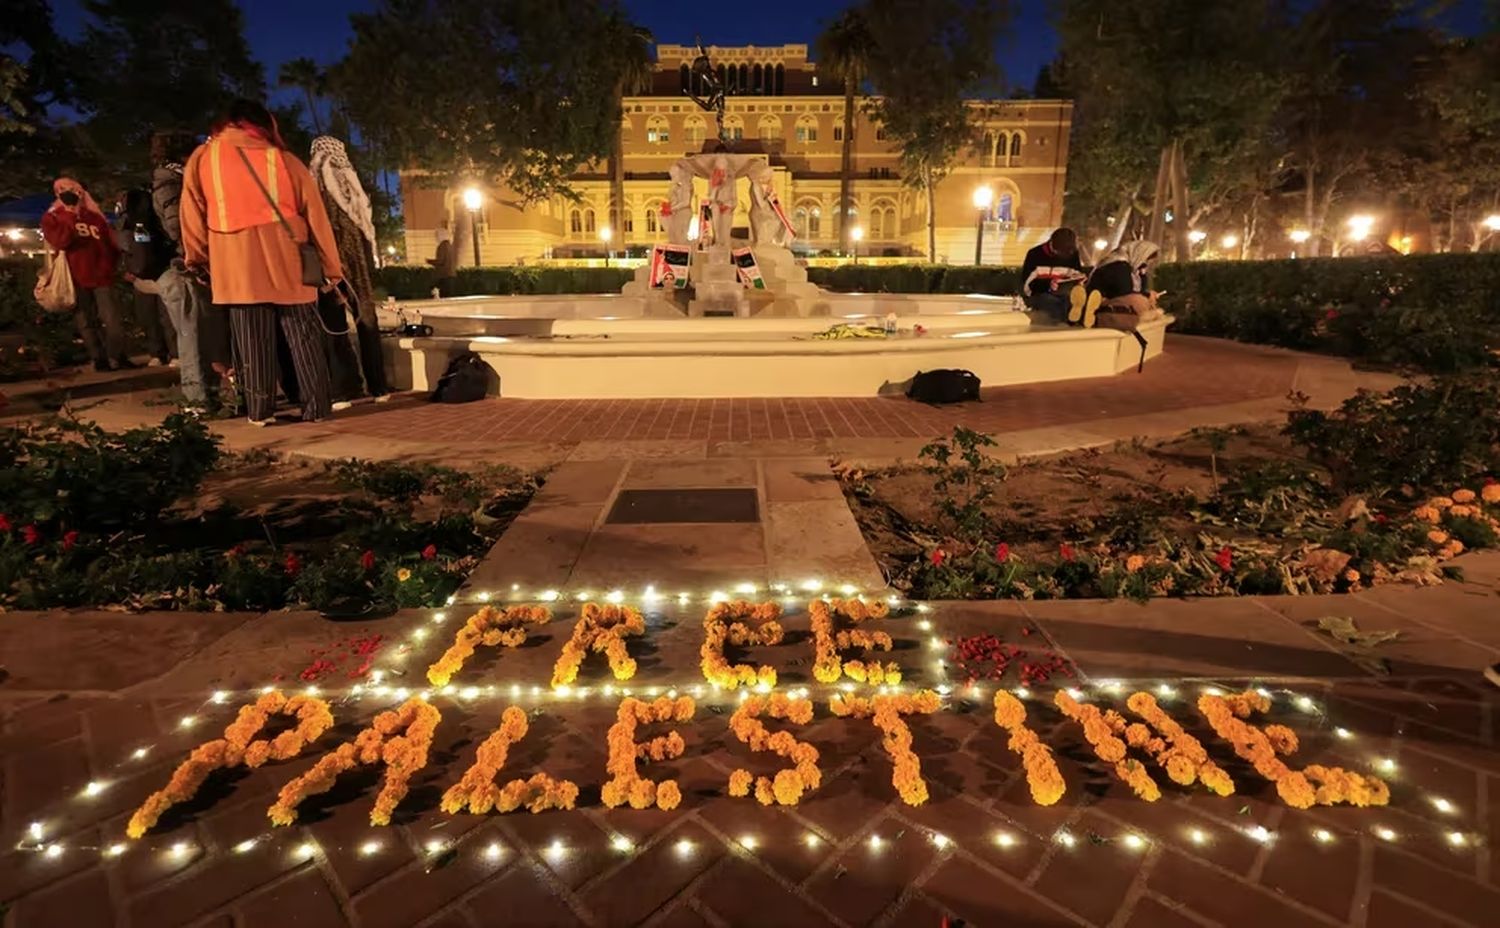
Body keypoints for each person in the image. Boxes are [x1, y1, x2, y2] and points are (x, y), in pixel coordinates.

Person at [179, 99, 342, 426]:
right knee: (304, 336)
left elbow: (192, 214)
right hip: (288, 257)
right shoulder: (283, 160)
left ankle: (260, 411)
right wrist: (330, 265)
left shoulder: (203, 158)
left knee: (252, 340)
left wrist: (197, 257)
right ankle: (317, 408)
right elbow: (316, 215)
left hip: (234, 261)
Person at [154, 129, 231, 411]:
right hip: (183, 269)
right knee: (192, 335)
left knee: (202, 334)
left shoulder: (173, 178)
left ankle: (206, 397)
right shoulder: (171, 180)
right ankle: (198, 402)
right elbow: (178, 226)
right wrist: (199, 254)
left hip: (187, 266)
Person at [309, 135, 390, 401]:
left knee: (335, 326)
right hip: (352, 264)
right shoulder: (349, 182)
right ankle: (377, 387)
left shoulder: (316, 182)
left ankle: (345, 390)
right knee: (365, 322)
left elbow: (321, 225)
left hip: (330, 263)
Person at [40, 176, 128, 372]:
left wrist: (110, 267)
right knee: (86, 321)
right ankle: (99, 358)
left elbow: (110, 246)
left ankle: (117, 356)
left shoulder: (95, 218)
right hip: (75, 278)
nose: (69, 192)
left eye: (72, 187)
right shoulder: (52, 218)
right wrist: (71, 215)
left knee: (112, 320)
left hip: (101, 276)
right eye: (62, 189)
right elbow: (61, 241)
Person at [115, 186, 175, 366]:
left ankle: (159, 353)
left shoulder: (128, 224)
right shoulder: (155, 220)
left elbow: (124, 248)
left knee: (150, 317)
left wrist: (128, 268)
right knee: (164, 317)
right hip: (159, 272)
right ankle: (173, 353)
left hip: (142, 275)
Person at [1074, 240, 1162, 329]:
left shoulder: (1137, 269)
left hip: (1119, 301)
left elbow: (1139, 290)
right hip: (1101, 302)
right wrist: (1146, 295)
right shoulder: (1118, 265)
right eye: (1147, 259)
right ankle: (1093, 317)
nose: (1147, 263)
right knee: (1139, 302)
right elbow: (1123, 291)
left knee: (1147, 304)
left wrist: (1149, 295)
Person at [1020, 228, 1085, 322]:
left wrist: (1079, 279)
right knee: (1052, 303)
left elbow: (1077, 273)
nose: (1062, 257)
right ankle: (1060, 329)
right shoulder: (1035, 254)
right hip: (1040, 293)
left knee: (1071, 302)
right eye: (1060, 252)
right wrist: (1048, 284)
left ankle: (1072, 326)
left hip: (1065, 292)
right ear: (1052, 244)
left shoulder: (1072, 254)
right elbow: (1027, 285)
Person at [428, 219, 456, 295]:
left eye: (437, 235)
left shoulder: (442, 246)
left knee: (443, 295)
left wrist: (429, 261)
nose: (436, 238)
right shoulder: (449, 245)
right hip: (450, 275)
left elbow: (440, 261)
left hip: (444, 275)